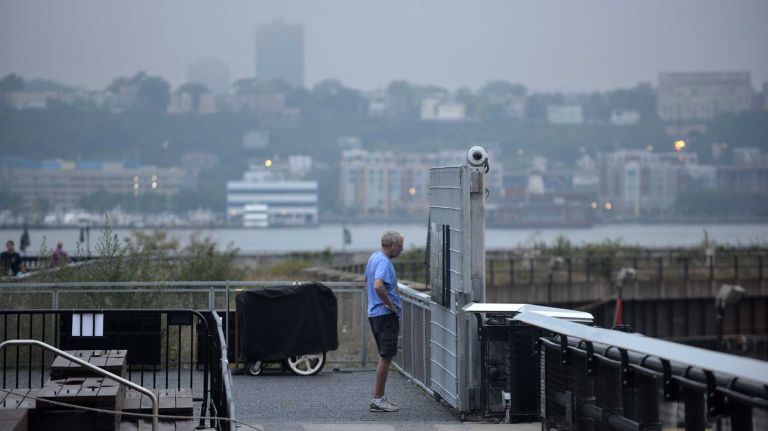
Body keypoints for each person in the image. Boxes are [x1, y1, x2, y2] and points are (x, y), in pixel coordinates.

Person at [365, 231, 404, 412]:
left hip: (375, 313)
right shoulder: (383, 261)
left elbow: (367, 281)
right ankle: (378, 399)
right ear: (390, 245)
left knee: (384, 355)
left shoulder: (374, 257)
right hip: (385, 315)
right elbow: (377, 284)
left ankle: (380, 397)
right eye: (399, 246)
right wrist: (390, 305)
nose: (401, 249)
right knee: (385, 356)